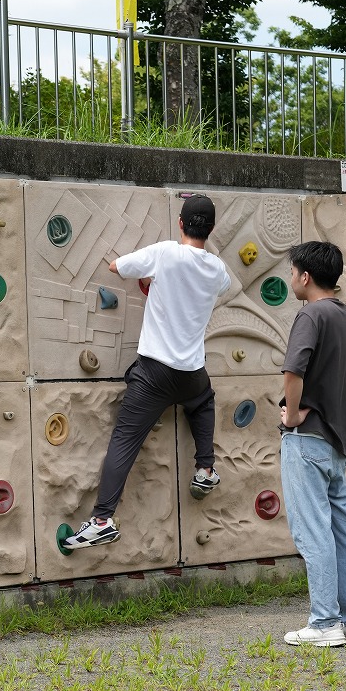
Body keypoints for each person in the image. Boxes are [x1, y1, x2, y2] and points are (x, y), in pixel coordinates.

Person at [63, 194, 232, 549]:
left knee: (124, 441)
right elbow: (223, 287)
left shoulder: (166, 253)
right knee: (203, 400)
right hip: (191, 372)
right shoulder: (217, 269)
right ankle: (204, 469)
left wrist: (151, 280)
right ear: (211, 230)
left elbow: (118, 267)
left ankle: (101, 520)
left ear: (181, 224)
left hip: (155, 373)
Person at [277, 241, 346, 647]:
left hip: (306, 439)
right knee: (344, 531)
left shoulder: (309, 315)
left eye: (292, 271)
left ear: (304, 276)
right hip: (336, 442)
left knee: (313, 532)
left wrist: (295, 414)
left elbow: (293, 372)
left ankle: (324, 625)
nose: (291, 278)